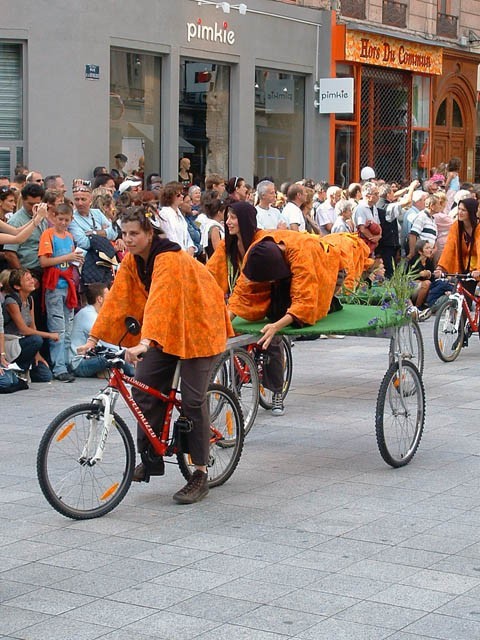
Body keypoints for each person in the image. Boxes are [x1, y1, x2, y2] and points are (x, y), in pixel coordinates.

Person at [77, 206, 233, 504]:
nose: (128, 239)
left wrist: (146, 342)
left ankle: (199, 472)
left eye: (134, 233)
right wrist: (93, 338)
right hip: (168, 327)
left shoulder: (168, 258)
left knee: (192, 399)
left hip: (200, 322)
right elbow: (117, 300)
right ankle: (151, 458)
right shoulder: (133, 262)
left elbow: (161, 300)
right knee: (145, 388)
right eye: (123, 234)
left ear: (150, 233)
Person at [207, 201, 288, 416]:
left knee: (272, 340)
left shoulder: (261, 241)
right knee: (235, 342)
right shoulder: (228, 245)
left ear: (245, 220)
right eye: (227, 217)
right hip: (242, 299)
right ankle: (235, 388)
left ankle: (277, 392)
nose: (228, 222)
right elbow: (211, 273)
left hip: (268, 295)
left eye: (233, 217)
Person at [38, 203, 82, 382]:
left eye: (67, 220)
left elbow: (71, 259)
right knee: (58, 328)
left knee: (68, 327)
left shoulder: (70, 236)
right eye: (60, 219)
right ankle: (59, 367)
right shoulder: (48, 234)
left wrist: (76, 260)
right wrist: (68, 258)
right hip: (55, 286)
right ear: (54, 218)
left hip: (68, 285)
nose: (63, 223)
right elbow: (44, 262)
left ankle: (65, 363)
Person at [69, 282, 134, 378]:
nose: (111, 299)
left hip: (91, 358)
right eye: (108, 295)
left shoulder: (96, 314)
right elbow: (106, 341)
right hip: (78, 364)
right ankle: (132, 373)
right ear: (100, 299)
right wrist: (129, 351)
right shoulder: (87, 314)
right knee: (113, 357)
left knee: (114, 356)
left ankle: (107, 372)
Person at [2, 269, 56, 381]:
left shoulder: (30, 299)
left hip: (25, 343)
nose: (32, 281)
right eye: (27, 280)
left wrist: (37, 353)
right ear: (17, 286)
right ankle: (19, 369)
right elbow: (24, 330)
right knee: (36, 339)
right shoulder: (11, 301)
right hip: (11, 342)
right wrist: (49, 335)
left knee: (45, 376)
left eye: (31, 278)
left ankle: (24, 369)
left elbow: (32, 326)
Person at [437, 198, 480, 323]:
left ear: (471, 212)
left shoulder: (478, 227)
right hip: (463, 267)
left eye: (463, 210)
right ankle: (461, 335)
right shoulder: (456, 226)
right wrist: (441, 267)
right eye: (459, 209)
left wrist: (478, 269)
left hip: (476, 267)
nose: (460, 212)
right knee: (462, 298)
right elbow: (449, 247)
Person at [158, 182, 195, 254]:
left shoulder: (179, 212)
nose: (181, 196)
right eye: (178, 195)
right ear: (170, 197)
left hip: (185, 255)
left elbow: (186, 236)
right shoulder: (164, 214)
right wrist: (183, 253)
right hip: (174, 254)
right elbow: (170, 237)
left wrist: (191, 247)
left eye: (181, 194)